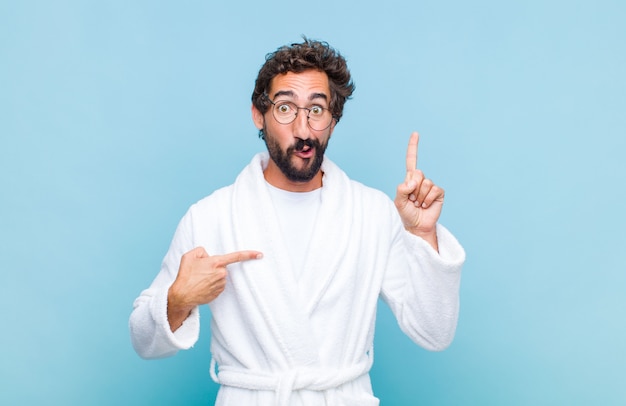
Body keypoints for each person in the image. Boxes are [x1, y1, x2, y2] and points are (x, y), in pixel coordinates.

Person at [129, 38, 465, 406]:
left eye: (317, 110)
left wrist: (423, 234)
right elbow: (144, 341)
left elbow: (435, 332)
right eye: (285, 108)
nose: (303, 129)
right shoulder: (212, 217)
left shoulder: (371, 212)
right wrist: (177, 300)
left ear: (333, 121)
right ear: (259, 115)